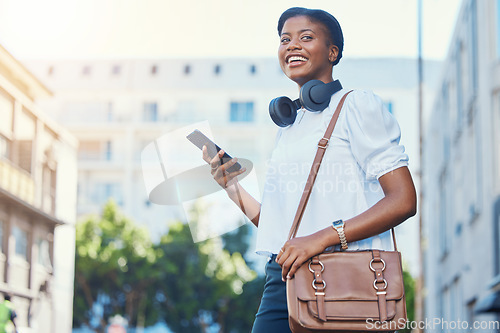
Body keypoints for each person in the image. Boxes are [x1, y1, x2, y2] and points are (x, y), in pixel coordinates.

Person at [202, 7, 416, 332]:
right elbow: (279, 227)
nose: (292, 45)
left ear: (333, 52)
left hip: (344, 276)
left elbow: (403, 200)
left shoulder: (356, 105)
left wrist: (321, 238)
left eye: (306, 37)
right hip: (283, 276)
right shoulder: (289, 127)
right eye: (285, 39)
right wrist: (231, 187)